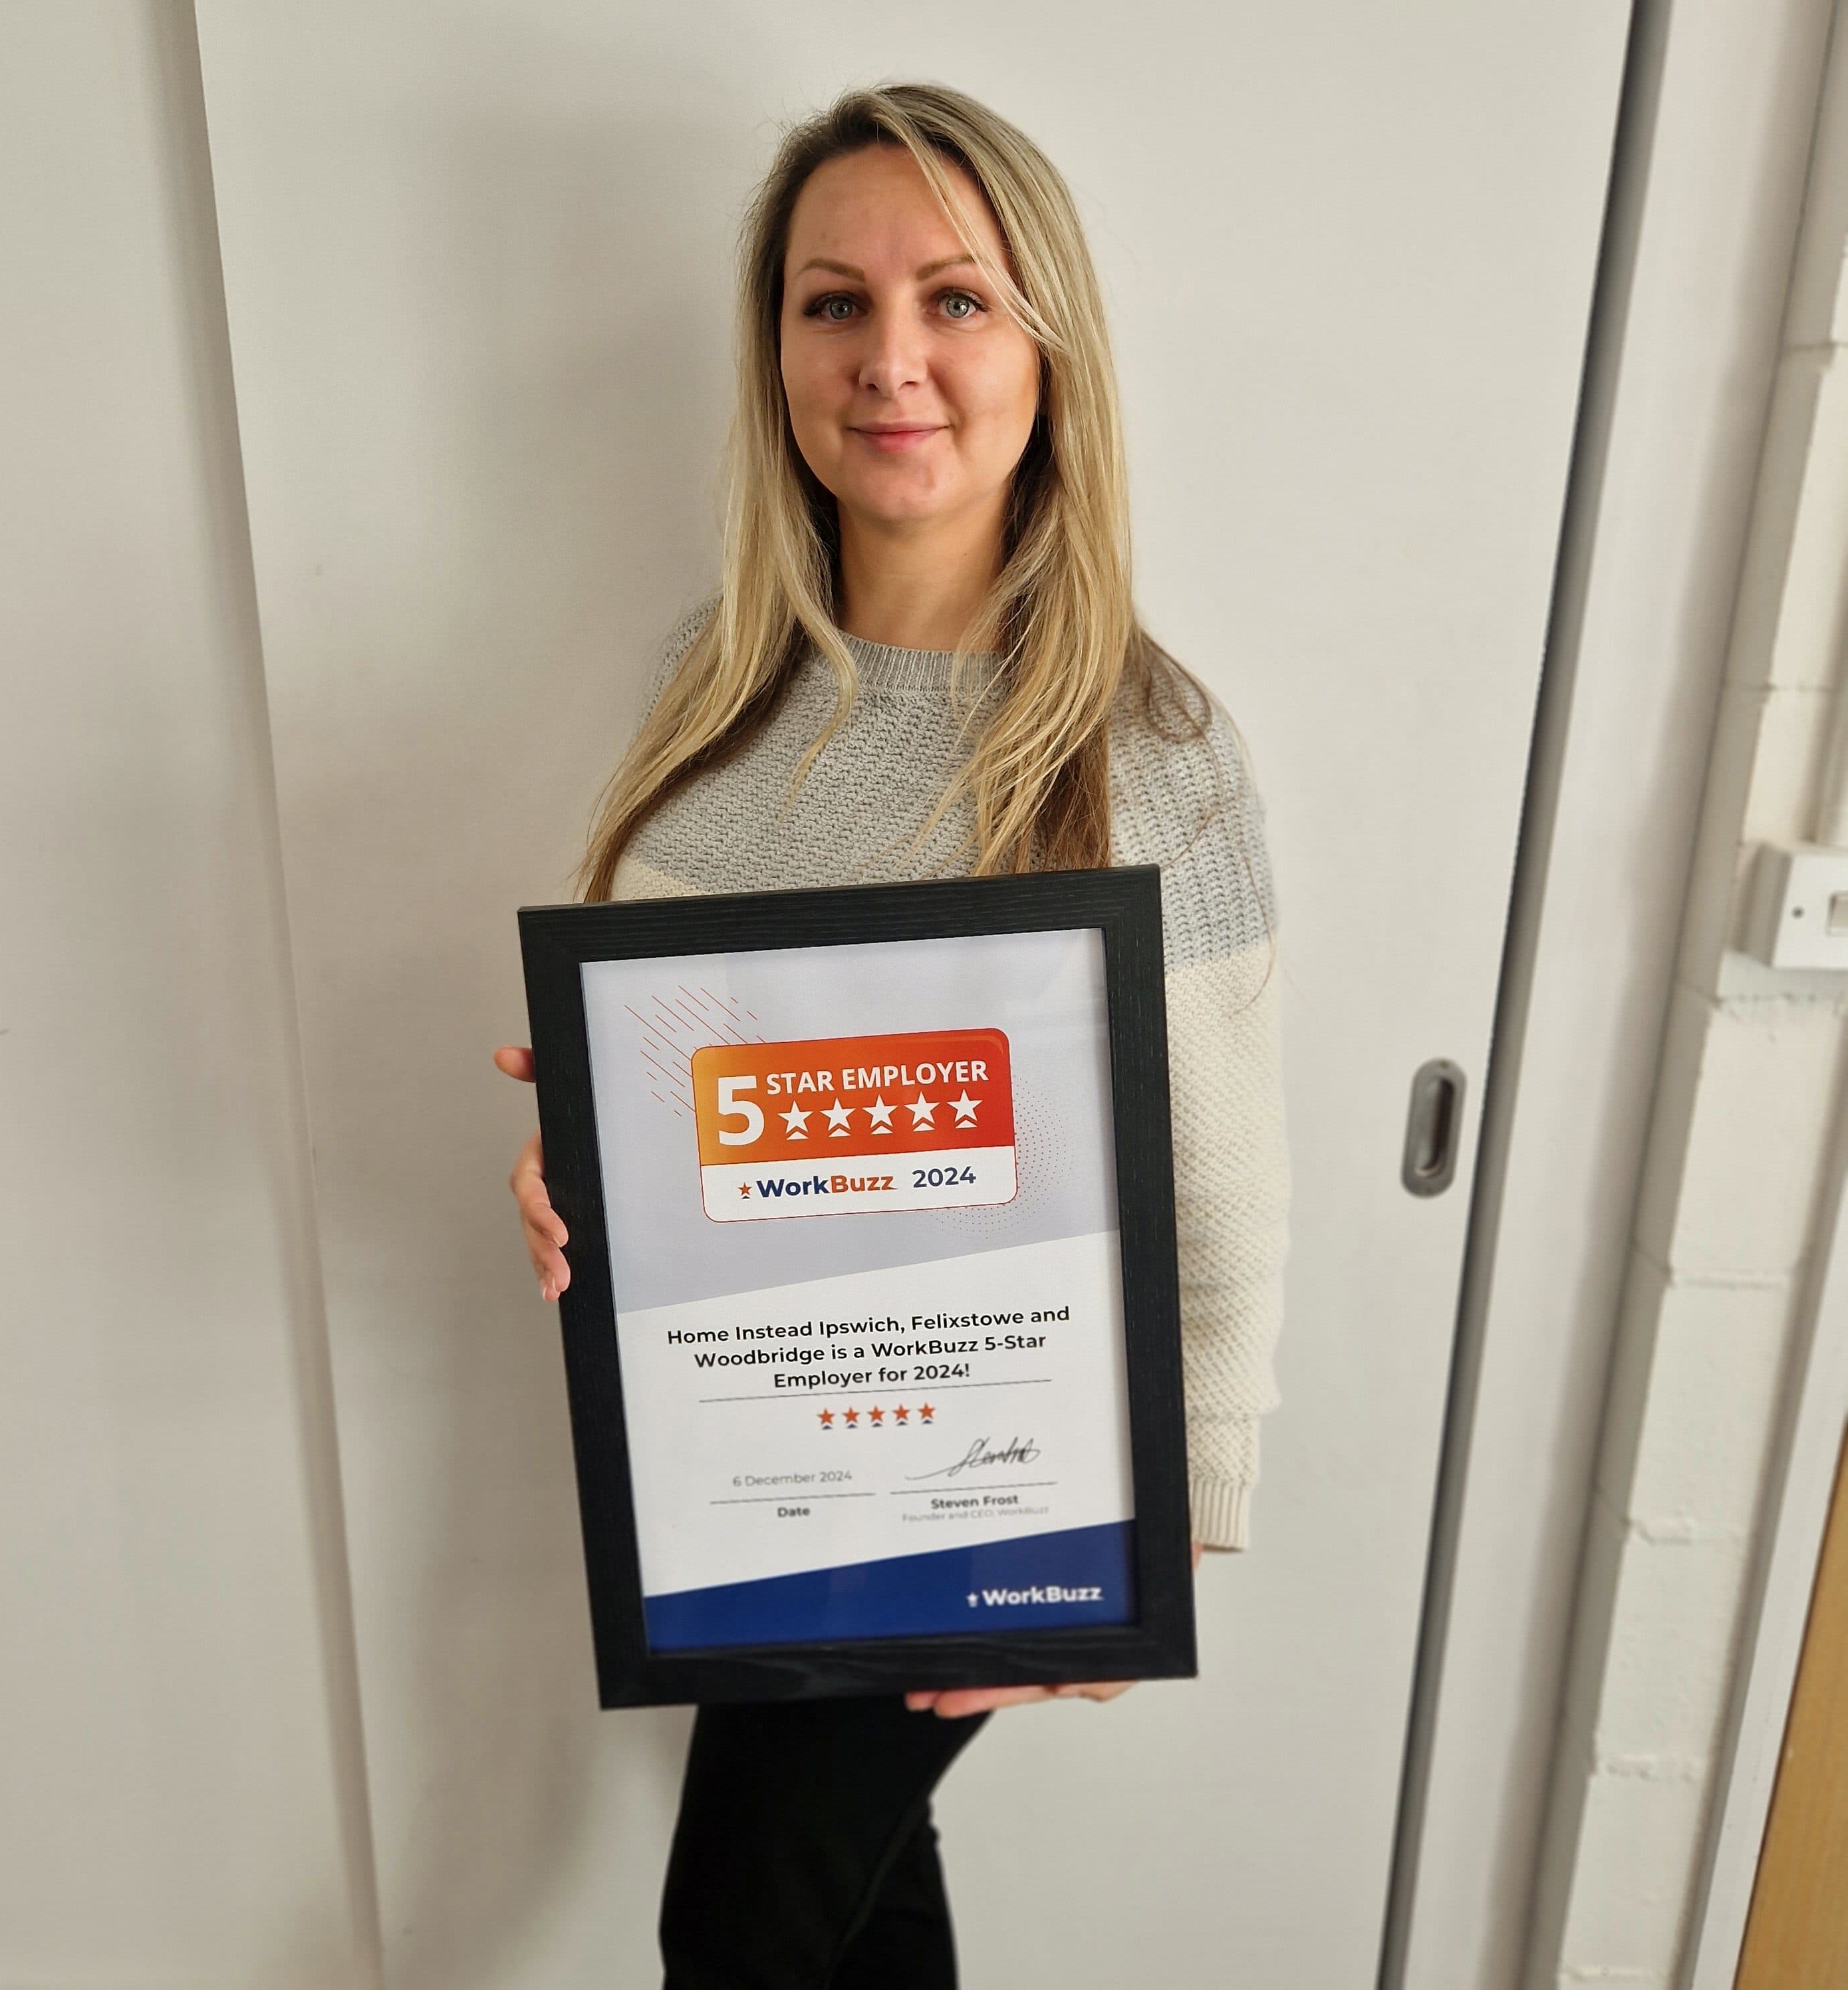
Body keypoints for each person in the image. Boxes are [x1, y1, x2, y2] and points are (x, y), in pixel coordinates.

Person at [495, 80, 1289, 1990]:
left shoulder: (1148, 751)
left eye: (957, 300)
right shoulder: (710, 687)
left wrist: (1147, 1566)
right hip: (737, 1470)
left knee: (740, 1923)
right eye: (832, 303)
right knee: (854, 1914)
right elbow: (675, 1070)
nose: (892, 360)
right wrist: (574, 1168)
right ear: (774, 353)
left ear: (1049, 351)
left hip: (991, 1496)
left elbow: (1229, 1193)